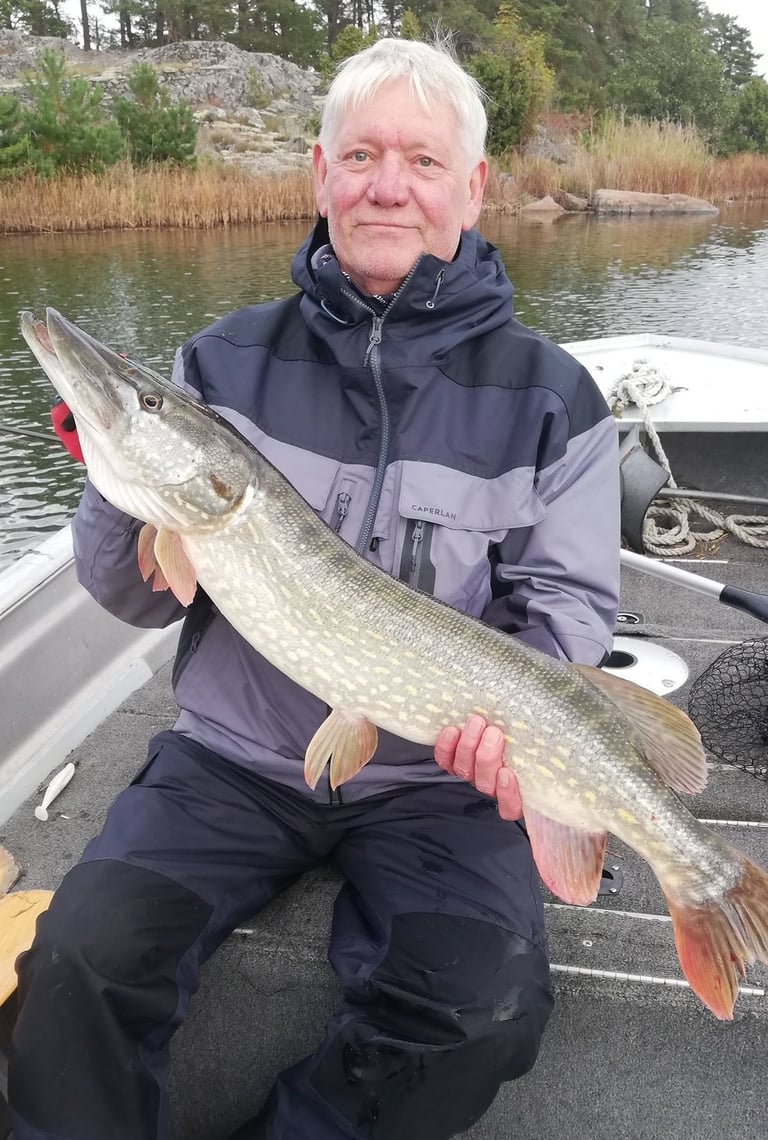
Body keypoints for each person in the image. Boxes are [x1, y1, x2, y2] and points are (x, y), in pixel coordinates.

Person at [9, 35, 620, 1140]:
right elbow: (135, 595)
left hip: (441, 781)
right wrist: (116, 468)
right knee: (79, 963)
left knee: (480, 1011)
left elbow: (568, 610)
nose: (389, 184)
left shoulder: (553, 399)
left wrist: (511, 719)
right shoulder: (217, 363)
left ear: (473, 186)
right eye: (363, 154)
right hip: (232, 760)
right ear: (321, 172)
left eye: (424, 162)